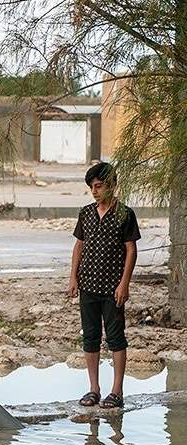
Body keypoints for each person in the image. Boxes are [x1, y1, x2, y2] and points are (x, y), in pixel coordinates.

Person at [69, 162, 140, 409]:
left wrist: (124, 284)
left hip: (113, 287)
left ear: (111, 185)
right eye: (92, 188)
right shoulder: (86, 213)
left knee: (116, 338)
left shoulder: (125, 214)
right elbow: (79, 245)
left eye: (99, 186)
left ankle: (117, 391)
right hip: (88, 284)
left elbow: (131, 250)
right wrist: (73, 277)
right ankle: (93, 389)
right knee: (90, 337)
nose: (95, 191)